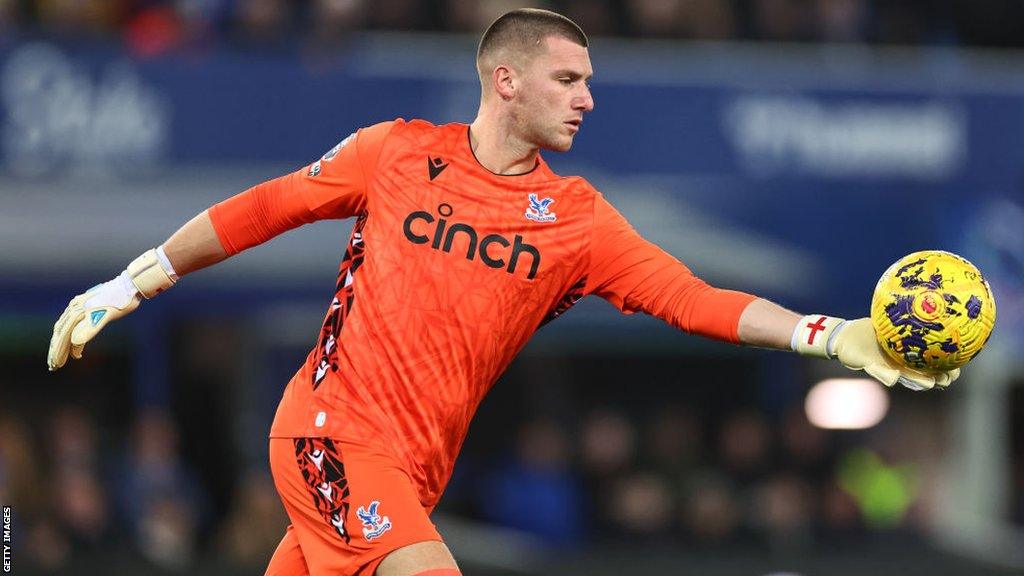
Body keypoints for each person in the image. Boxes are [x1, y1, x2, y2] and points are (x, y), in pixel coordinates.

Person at [47, 8, 959, 576]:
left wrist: (832, 335)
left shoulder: (575, 219)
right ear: (506, 79)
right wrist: (134, 282)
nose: (588, 99)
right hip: (329, 438)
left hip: (414, 473)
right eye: (569, 79)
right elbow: (266, 208)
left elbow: (691, 298)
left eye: (591, 82)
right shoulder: (396, 152)